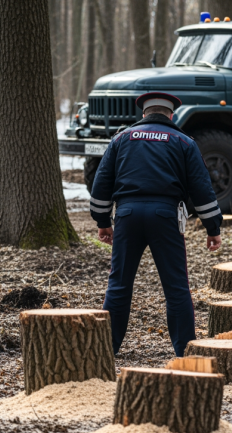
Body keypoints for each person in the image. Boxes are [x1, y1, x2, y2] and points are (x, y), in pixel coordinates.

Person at [90, 91, 223, 357]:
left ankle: (106, 349)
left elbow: (101, 183)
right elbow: (202, 189)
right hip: (165, 216)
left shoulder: (121, 139)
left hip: (126, 215)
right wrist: (213, 228)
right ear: (171, 115)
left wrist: (103, 222)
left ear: (144, 114)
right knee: (176, 287)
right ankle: (185, 351)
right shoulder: (184, 142)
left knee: (118, 284)